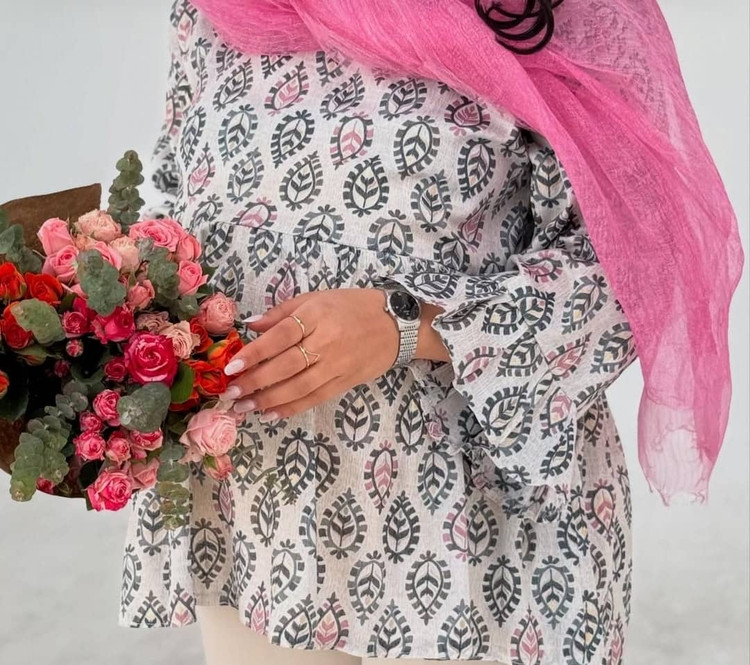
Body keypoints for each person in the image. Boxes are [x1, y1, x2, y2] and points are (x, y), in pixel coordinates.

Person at [118, 1, 641, 663]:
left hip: (475, 526)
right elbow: (172, 199)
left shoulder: (556, 14)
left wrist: (405, 325)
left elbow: (632, 270)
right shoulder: (212, 10)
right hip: (258, 511)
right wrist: (104, 327)